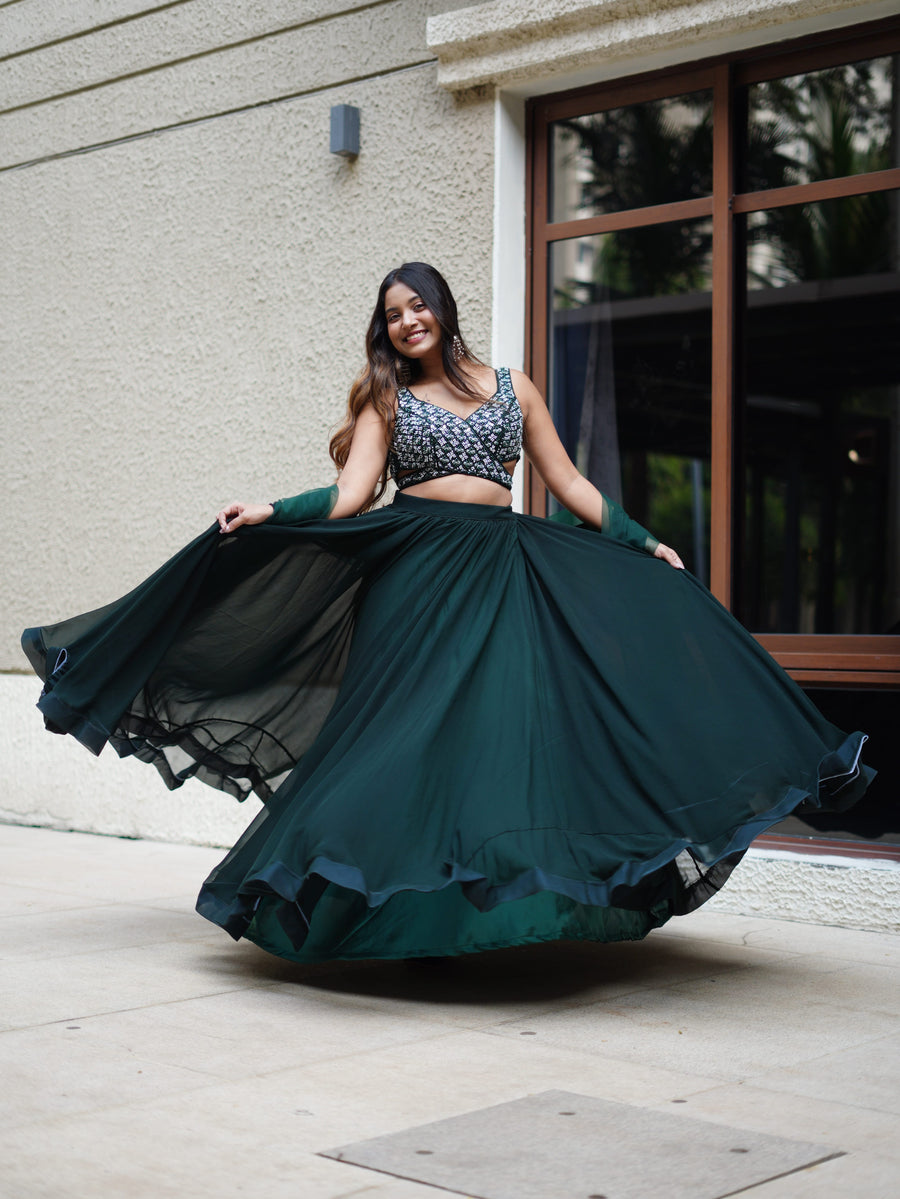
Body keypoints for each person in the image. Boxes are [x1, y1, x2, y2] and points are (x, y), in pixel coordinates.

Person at [22, 262, 873, 964]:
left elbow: (569, 485)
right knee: (399, 738)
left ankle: (494, 906)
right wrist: (271, 509)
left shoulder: (512, 387)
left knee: (503, 736)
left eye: (417, 305)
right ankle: (340, 900)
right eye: (392, 315)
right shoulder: (383, 399)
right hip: (417, 579)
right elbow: (354, 495)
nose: (406, 321)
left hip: (502, 573)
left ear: (443, 308)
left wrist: (644, 540)